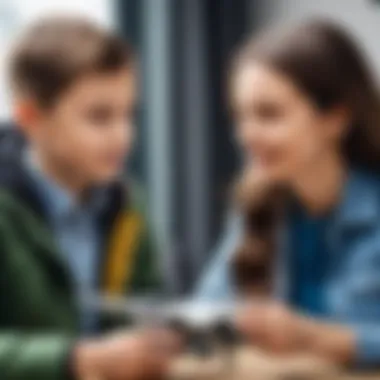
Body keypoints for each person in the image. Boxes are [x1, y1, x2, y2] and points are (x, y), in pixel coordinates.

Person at [0, 17, 180, 380]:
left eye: (129, 114)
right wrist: (74, 360)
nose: (122, 135)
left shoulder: (128, 205)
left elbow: (147, 302)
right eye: (99, 117)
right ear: (30, 118)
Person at [195, 19, 380, 368]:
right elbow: (207, 311)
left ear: (335, 119)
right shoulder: (259, 204)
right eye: (241, 117)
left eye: (269, 114)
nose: (246, 136)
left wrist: (308, 336)